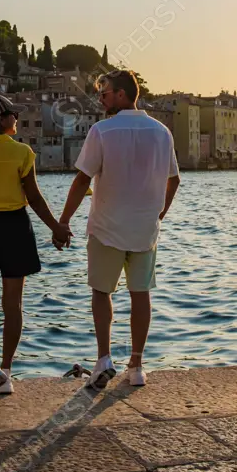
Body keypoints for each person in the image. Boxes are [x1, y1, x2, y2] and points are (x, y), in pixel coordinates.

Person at [56, 69, 180, 389]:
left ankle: (103, 359)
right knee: (141, 295)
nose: (101, 98)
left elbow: (83, 178)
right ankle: (136, 366)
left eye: (105, 92)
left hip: (106, 226)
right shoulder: (162, 131)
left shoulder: (102, 131)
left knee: (101, 292)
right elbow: (174, 179)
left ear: (122, 95)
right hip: (144, 229)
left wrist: (64, 220)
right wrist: (160, 214)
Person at [0, 94, 71, 398]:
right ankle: (6, 371)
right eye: (13, 114)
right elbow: (33, 198)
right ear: (2, 119)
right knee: (12, 305)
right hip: (15, 228)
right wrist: (57, 227)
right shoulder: (22, 152)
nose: (17, 118)